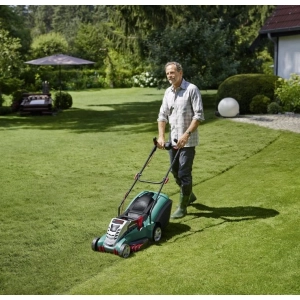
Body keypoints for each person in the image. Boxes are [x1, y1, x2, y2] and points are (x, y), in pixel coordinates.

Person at [157, 62, 205, 219]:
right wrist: (162, 136)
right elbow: (162, 115)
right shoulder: (168, 92)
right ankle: (188, 194)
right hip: (174, 140)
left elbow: (198, 115)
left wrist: (186, 134)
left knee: (184, 173)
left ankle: (183, 206)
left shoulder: (192, 89)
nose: (170, 76)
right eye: (167, 73)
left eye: (172, 72)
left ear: (180, 73)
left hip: (188, 141)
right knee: (175, 171)